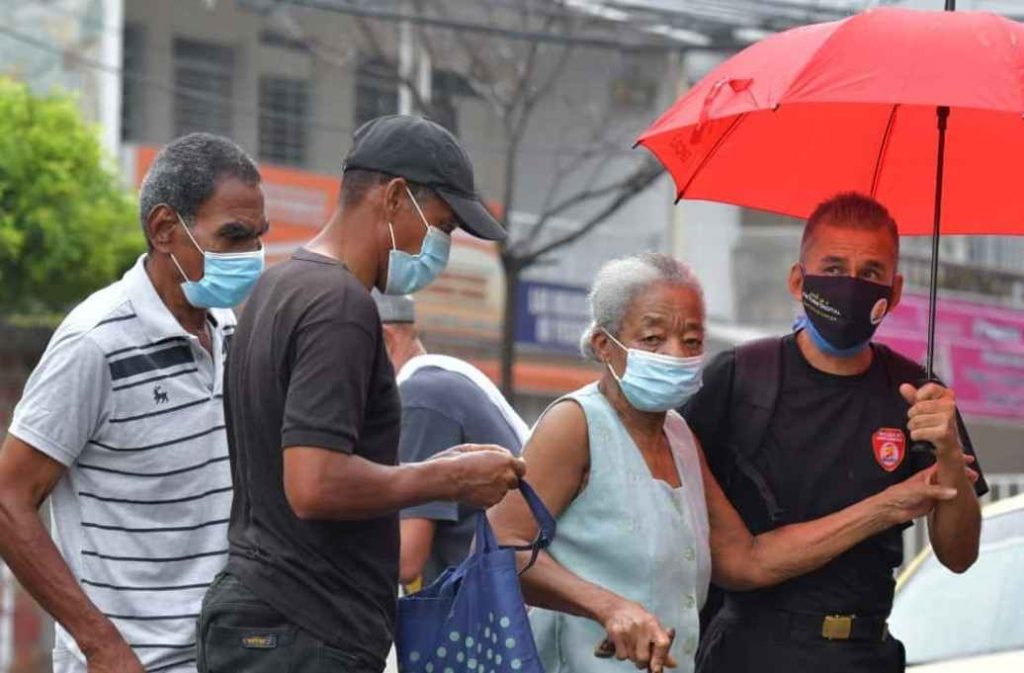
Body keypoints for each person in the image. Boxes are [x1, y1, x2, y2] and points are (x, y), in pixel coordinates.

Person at [489, 252, 967, 673]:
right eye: (653, 338)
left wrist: (889, 506)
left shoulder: (679, 436)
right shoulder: (576, 425)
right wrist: (606, 607)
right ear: (603, 345)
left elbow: (746, 560)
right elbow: (498, 548)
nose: (675, 354)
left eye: (692, 340)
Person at [197, 115, 525, 673]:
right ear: (396, 197)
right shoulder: (340, 305)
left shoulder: (280, 284)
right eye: (441, 225)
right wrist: (449, 479)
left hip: (266, 615)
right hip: (304, 627)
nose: (440, 247)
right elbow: (314, 484)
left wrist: (434, 465)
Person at [683, 193, 987, 673]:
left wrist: (948, 451)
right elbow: (705, 538)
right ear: (798, 280)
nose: (851, 286)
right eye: (834, 266)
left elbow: (959, 555)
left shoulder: (919, 395)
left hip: (868, 651)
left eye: (870, 273)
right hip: (752, 650)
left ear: (896, 290)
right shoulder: (742, 377)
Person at [0, 133, 268, 673]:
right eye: (233, 237)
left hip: (226, 656)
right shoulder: (96, 343)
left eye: (257, 238)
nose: (250, 257)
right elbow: (8, 500)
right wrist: (100, 644)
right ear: (165, 229)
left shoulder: (232, 330)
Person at [373, 292, 529, 590]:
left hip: (483, 611)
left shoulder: (420, 399)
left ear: (385, 341)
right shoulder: (444, 381)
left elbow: (405, 559)